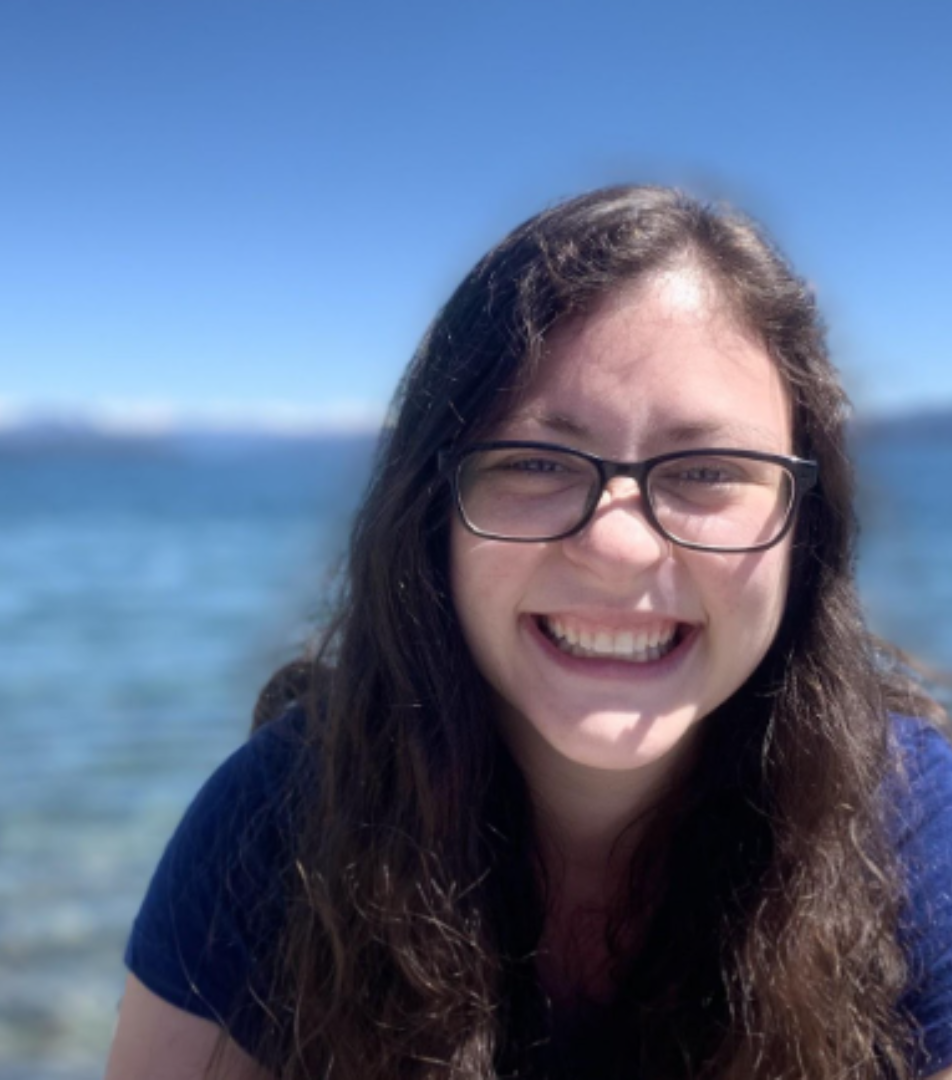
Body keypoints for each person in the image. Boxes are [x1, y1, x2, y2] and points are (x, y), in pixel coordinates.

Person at [104, 185, 952, 1079]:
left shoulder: (909, 836)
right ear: (433, 520)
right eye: (536, 462)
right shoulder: (281, 826)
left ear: (804, 531)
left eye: (708, 470)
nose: (618, 545)